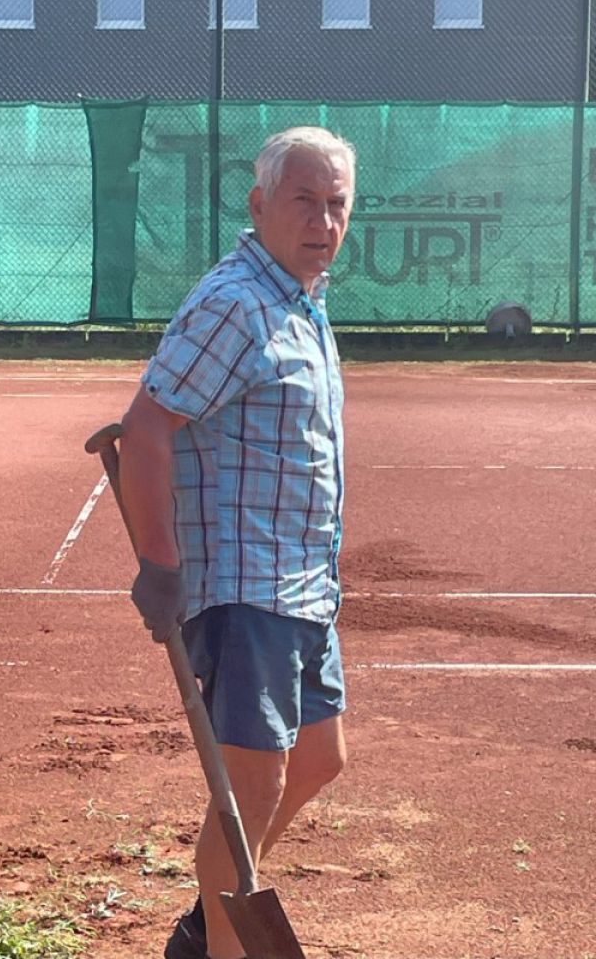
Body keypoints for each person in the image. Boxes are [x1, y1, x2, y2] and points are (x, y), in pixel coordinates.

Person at [118, 125, 355, 959]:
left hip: (301, 583)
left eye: (336, 204)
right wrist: (159, 565)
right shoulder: (237, 303)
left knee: (319, 758)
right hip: (248, 587)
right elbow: (146, 428)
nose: (323, 221)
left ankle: (205, 924)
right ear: (259, 205)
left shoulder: (301, 299)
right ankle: (220, 943)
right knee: (249, 790)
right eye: (304, 201)